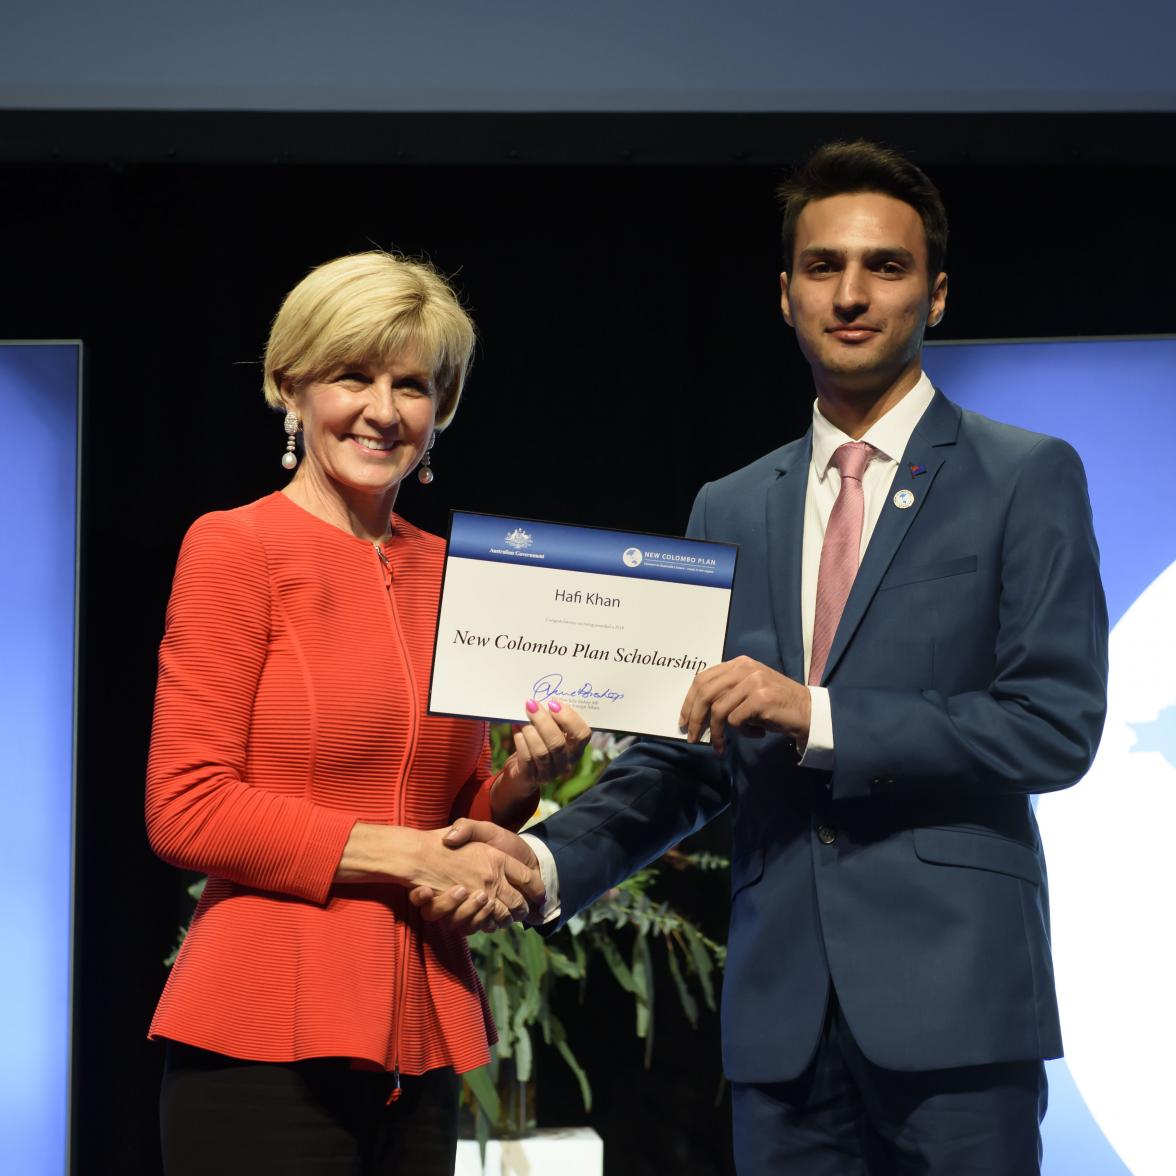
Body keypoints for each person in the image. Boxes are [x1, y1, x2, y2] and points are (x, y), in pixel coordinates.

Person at [413, 142, 1109, 1174]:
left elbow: (1053, 723)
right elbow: (695, 756)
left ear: (939, 294)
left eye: (886, 266)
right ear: (785, 296)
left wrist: (818, 713)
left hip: (957, 1015)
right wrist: (549, 858)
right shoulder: (731, 505)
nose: (853, 294)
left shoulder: (1024, 477)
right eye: (824, 267)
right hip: (783, 1023)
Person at [145, 251, 590, 1176]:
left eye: (413, 384)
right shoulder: (233, 547)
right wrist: (405, 853)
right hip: (260, 1036)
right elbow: (185, 805)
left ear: (444, 409)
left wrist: (519, 783)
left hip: (418, 1034)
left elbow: (450, 801)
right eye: (353, 375)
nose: (384, 410)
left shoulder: (456, 571)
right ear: (288, 385)